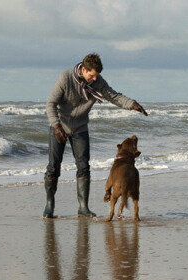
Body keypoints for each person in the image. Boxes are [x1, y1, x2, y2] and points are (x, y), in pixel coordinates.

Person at [43, 53, 148, 219]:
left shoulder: (98, 82)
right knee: (53, 166)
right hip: (59, 126)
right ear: (83, 69)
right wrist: (56, 126)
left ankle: (83, 208)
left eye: (97, 75)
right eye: (91, 75)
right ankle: (49, 206)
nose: (94, 79)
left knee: (84, 166)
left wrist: (132, 104)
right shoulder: (65, 78)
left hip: (80, 127)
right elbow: (50, 103)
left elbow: (113, 96)